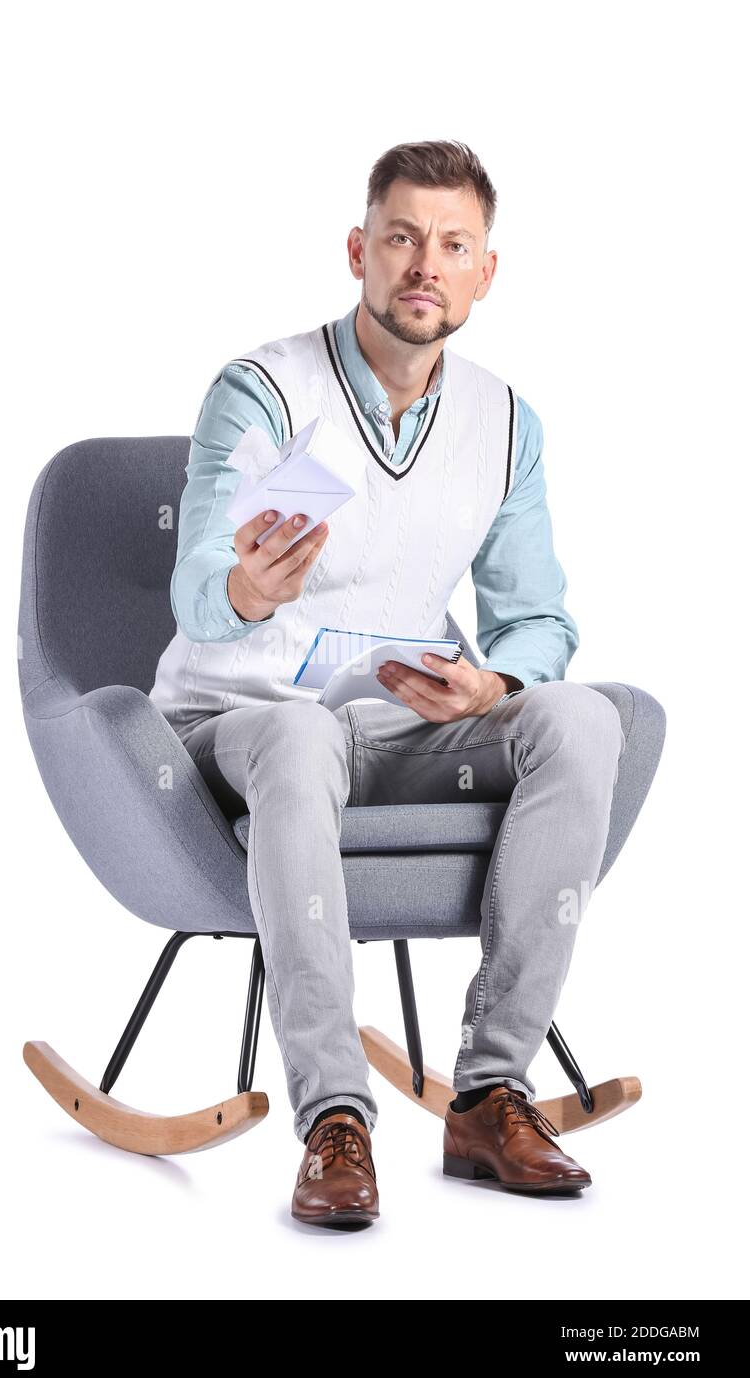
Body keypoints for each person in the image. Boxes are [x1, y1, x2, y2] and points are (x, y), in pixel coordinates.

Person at [149, 139, 625, 1225]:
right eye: (402, 238)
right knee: (302, 737)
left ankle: (491, 1087)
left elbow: (538, 619)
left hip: (399, 722)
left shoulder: (506, 425)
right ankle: (333, 1118)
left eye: (451, 244)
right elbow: (192, 591)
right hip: (247, 717)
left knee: (578, 717)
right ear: (358, 250)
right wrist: (253, 594)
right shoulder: (259, 389)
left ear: (483, 272)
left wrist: (494, 683)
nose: (424, 263)